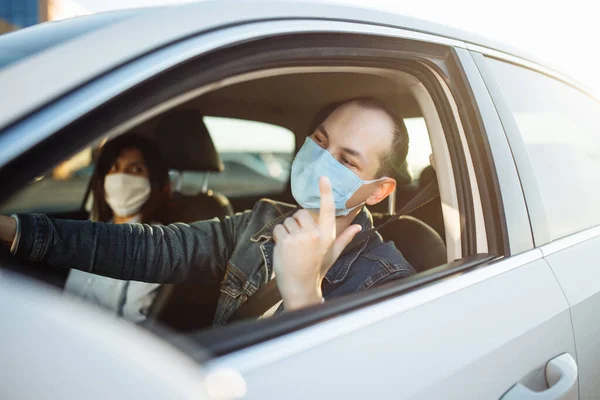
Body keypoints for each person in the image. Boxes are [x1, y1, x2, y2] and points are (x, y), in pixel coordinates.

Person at [0, 97, 415, 326]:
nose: (321, 160)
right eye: (319, 142)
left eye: (346, 161)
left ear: (378, 191)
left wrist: (305, 296)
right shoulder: (260, 221)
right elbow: (154, 249)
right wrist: (13, 229)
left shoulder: (388, 280)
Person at [64, 135, 171, 322]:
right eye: (113, 168)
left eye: (136, 169)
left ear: (154, 181)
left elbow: (132, 324)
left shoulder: (155, 245)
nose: (121, 177)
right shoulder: (92, 230)